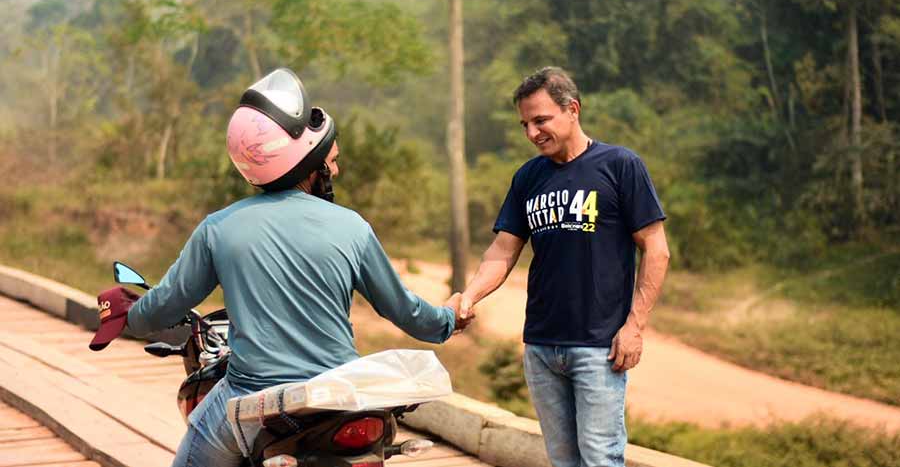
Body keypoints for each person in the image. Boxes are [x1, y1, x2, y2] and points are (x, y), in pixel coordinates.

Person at [88, 68, 470, 467]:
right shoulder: (353, 228)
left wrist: (127, 312)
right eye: (332, 161)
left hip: (250, 399)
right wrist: (449, 319)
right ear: (310, 163)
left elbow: (162, 309)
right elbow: (406, 311)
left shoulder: (219, 228)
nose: (335, 171)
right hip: (335, 397)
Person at [458, 67, 669, 467]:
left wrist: (634, 326)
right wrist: (469, 296)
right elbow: (503, 250)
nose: (532, 133)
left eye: (541, 120)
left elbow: (656, 250)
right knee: (562, 460)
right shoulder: (528, 177)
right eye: (525, 124)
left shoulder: (620, 165)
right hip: (541, 345)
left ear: (572, 109)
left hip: (599, 346)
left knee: (599, 458)